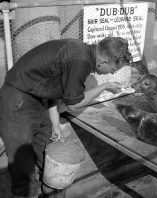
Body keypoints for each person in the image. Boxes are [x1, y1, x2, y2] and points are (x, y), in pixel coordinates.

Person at [0, 37, 132, 198]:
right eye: (113, 69)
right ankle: (27, 193)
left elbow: (53, 87)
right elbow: (74, 104)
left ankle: (52, 190)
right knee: (22, 161)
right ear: (103, 61)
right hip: (17, 99)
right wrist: (104, 87)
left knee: (48, 151)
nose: (112, 73)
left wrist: (55, 124)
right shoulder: (80, 61)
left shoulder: (80, 53)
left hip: (36, 97)